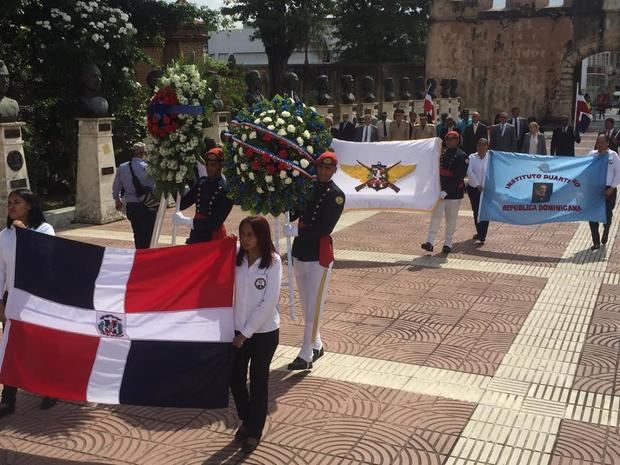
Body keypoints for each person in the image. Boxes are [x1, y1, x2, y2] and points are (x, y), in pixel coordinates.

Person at [0, 189, 57, 418]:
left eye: (17, 202)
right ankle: (8, 398)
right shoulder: (3, 235)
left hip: (37, 298)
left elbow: (44, 258)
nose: (12, 206)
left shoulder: (44, 230)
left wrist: (25, 235)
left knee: (41, 346)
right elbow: (1, 270)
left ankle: (49, 389)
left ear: (30, 206)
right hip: (12, 299)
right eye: (9, 203)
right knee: (11, 348)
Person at [285, 152, 345, 370]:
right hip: (300, 251)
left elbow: (324, 228)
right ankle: (317, 343)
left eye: (328, 168)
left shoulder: (336, 195)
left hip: (319, 255)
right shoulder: (307, 188)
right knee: (306, 303)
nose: (323, 171)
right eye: (321, 167)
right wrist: (284, 202)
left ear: (334, 170)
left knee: (314, 305)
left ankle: (306, 353)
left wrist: (296, 231)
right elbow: (294, 212)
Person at [230, 216, 281, 453]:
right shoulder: (235, 256)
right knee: (235, 379)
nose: (245, 239)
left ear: (261, 236)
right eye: (242, 234)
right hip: (238, 330)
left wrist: (246, 334)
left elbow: (268, 303)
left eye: (250, 235)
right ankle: (248, 419)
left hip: (264, 333)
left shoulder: (273, 263)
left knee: (258, 381)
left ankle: (254, 431)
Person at [173, 147, 233, 244]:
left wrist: (187, 221)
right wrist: (173, 182)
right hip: (196, 234)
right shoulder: (201, 182)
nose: (209, 168)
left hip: (212, 236)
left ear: (221, 166)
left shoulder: (226, 190)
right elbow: (182, 204)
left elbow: (215, 223)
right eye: (207, 165)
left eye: (213, 165)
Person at [421, 131, 468, 254]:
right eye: (447, 139)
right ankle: (430, 242)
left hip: (453, 193)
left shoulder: (462, 156)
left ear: (457, 140)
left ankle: (448, 243)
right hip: (440, 192)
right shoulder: (441, 154)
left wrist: (447, 191)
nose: (449, 141)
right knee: (435, 217)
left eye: (452, 139)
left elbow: (459, 177)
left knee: (451, 220)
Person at [112, 142, 157, 249]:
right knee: (149, 233)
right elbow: (155, 185)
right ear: (143, 152)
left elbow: (116, 186)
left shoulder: (122, 167)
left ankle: (140, 252)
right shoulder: (149, 167)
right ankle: (148, 254)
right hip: (148, 204)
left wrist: (117, 200)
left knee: (137, 233)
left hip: (132, 205)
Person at [587, 134, 620, 250]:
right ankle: (596, 242)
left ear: (607, 143)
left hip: (609, 189)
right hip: (594, 189)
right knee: (592, 215)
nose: (599, 145)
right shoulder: (592, 155)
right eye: (598, 142)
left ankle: (606, 230)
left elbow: (618, 173)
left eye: (602, 142)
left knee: (606, 213)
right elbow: (585, 169)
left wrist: (611, 188)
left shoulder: (613, 155)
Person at [467, 138, 490, 244]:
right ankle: (479, 231)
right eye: (479, 145)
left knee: (485, 212)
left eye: (483, 145)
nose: (481, 147)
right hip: (474, 189)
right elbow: (469, 172)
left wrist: (485, 185)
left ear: (487, 147)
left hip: (486, 190)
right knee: (476, 211)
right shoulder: (472, 157)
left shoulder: (491, 158)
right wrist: (477, 185)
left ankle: (482, 234)